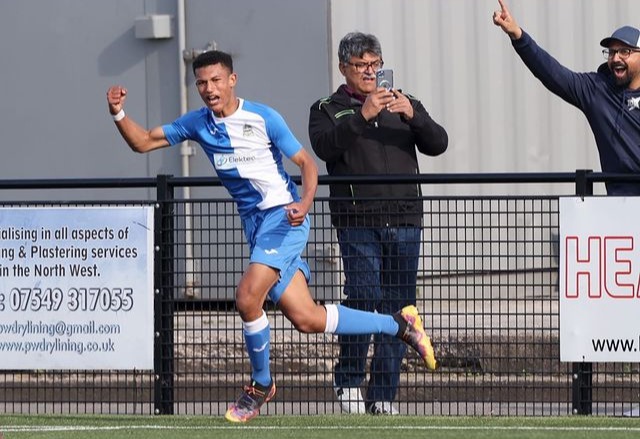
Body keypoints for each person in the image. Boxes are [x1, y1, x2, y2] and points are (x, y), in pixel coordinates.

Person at [106, 50, 437, 423]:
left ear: (232, 80)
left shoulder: (263, 117)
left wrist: (306, 202)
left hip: (284, 218)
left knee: (248, 296)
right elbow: (143, 142)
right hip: (257, 227)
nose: (209, 89)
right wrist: (118, 113)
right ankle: (399, 323)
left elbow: (307, 164)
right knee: (307, 318)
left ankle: (261, 384)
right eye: (201, 82)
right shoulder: (197, 123)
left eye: (216, 80)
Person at [308, 32, 447, 415]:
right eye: (361, 66)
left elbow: (439, 143)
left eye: (375, 65)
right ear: (344, 69)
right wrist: (362, 115)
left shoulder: (405, 101)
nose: (370, 73)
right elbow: (326, 147)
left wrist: (413, 116)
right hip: (357, 220)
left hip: (405, 219)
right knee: (364, 297)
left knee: (401, 309)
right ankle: (349, 380)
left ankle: (383, 394)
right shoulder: (327, 108)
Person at [493, 0, 640, 195]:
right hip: (620, 205)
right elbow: (553, 74)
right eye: (611, 52)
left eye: (625, 51)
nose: (615, 58)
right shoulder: (596, 90)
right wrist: (517, 35)